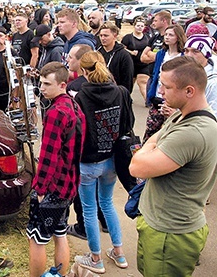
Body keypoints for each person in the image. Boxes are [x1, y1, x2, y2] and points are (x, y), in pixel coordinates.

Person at [129, 56, 217, 277]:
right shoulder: (181, 115)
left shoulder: (192, 132)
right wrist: (152, 146)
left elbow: (137, 167)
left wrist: (149, 148)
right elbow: (153, 142)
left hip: (170, 233)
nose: (160, 91)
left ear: (189, 91)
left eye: (166, 87)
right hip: (158, 225)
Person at [73, 51, 130, 274]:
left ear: (85, 72)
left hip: (88, 161)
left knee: (89, 209)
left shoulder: (81, 96)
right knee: (107, 204)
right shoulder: (118, 91)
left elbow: (78, 131)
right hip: (112, 159)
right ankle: (119, 252)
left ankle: (95, 258)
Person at [27, 62, 85, 277]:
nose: (41, 88)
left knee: (36, 238)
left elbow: (48, 157)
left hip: (53, 186)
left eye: (46, 84)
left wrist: (40, 189)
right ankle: (58, 275)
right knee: (60, 233)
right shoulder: (74, 106)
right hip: (69, 184)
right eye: (40, 82)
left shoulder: (56, 113)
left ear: (62, 85)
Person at [144, 24, 186, 141]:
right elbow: (155, 74)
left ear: (178, 37)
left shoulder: (183, 57)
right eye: (166, 34)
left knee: (169, 132)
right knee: (151, 130)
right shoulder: (161, 54)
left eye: (170, 35)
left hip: (173, 100)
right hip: (157, 96)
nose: (166, 37)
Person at [97, 22, 134, 92]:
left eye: (106, 35)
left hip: (116, 94)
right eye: (101, 35)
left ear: (115, 36)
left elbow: (127, 80)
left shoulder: (124, 55)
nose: (102, 38)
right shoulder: (97, 52)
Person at [184, 34, 217, 112]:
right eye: (186, 51)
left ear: (206, 54)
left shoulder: (213, 82)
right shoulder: (181, 73)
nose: (189, 55)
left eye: (195, 51)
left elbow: (213, 113)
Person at [121, 17, 150, 104]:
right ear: (134, 26)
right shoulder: (128, 37)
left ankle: (148, 101)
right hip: (131, 64)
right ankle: (126, 98)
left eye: (142, 26)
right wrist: (131, 52)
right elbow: (122, 48)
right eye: (138, 25)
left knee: (143, 82)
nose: (140, 27)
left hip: (143, 64)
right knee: (130, 84)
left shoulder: (147, 38)